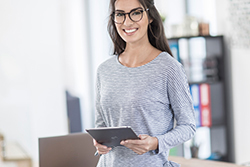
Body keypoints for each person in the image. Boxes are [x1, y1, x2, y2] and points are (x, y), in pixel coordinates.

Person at [93, 0, 196, 166]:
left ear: (150, 17)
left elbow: (188, 126)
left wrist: (155, 142)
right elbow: (102, 126)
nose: (127, 22)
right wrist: (100, 144)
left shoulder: (169, 68)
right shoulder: (104, 70)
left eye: (136, 13)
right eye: (120, 14)